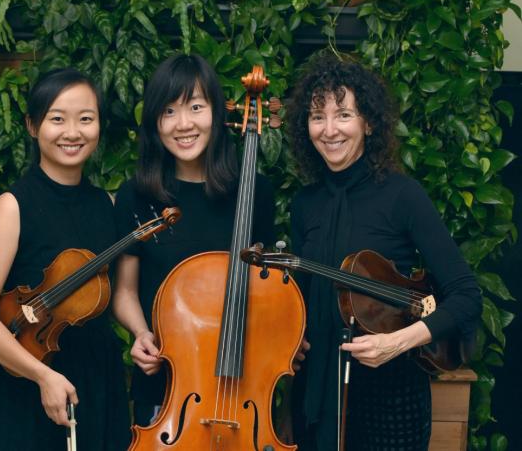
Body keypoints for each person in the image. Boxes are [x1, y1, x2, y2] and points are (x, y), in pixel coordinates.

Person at [285, 52, 482, 451]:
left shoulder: (402, 195)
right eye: (316, 116)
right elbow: (303, 296)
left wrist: (395, 343)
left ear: (369, 122)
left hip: (391, 400)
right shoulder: (304, 204)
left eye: (343, 114)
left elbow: (466, 297)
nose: (329, 129)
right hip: (315, 396)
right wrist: (295, 335)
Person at [0, 68, 130, 451]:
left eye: (86, 119)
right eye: (57, 119)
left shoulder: (108, 205)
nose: (73, 132)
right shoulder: (13, 206)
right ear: (33, 126)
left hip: (95, 379)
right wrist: (41, 376)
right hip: (26, 379)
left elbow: (113, 298)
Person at [112, 53, 276, 426]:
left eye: (195, 107)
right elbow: (124, 292)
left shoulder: (255, 193)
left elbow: (269, 291)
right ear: (155, 123)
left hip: (241, 387)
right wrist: (140, 333)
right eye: (168, 112)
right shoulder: (136, 195)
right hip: (164, 388)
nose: (183, 124)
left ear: (218, 113)